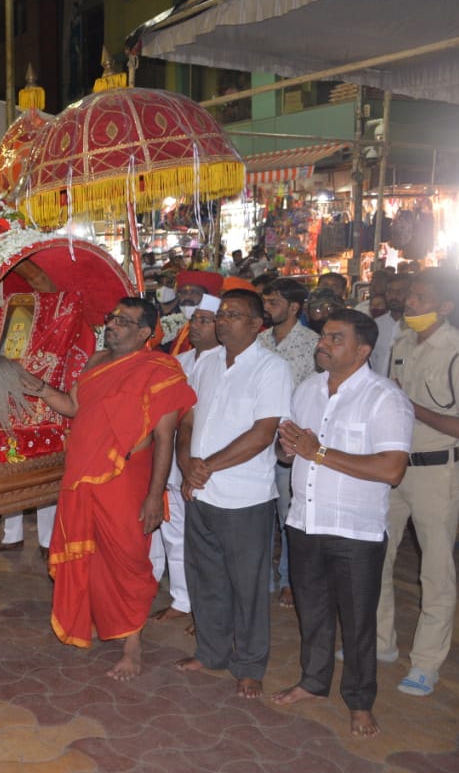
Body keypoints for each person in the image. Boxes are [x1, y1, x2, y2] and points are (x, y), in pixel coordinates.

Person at [36, 298, 196, 680]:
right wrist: (39, 388)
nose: (113, 325)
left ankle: (132, 646)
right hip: (81, 474)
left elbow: (165, 438)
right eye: (111, 318)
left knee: (129, 560)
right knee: (87, 554)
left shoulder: (160, 369)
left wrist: (154, 497)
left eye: (125, 321)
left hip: (125, 477)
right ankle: (91, 618)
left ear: (145, 333)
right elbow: (75, 407)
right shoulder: (94, 362)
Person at [271, 309, 413, 737]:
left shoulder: (385, 397)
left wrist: (318, 452)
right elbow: (289, 453)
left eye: (336, 338)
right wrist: (288, 451)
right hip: (305, 522)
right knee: (312, 612)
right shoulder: (308, 390)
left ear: (363, 350)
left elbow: (391, 470)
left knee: (357, 622)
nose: (323, 343)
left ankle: (360, 701)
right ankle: (314, 683)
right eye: (325, 336)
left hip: (355, 530)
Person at [176, 289, 293, 699]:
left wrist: (206, 466)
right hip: (202, 492)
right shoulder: (205, 363)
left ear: (258, 324)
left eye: (234, 315)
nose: (222, 321)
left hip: (244, 497)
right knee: (205, 578)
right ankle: (210, 652)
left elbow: (263, 433)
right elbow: (185, 419)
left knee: (247, 586)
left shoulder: (270, 368)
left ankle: (249, 665)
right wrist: (187, 462)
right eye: (220, 314)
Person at [377, 268, 459, 697]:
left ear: (445, 307)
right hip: (396, 467)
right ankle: (380, 644)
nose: (408, 302)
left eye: (419, 297)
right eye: (409, 295)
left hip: (437, 471)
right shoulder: (401, 342)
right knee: (377, 556)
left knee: (435, 571)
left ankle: (426, 663)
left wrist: (414, 409)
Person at [151, 293, 220, 627]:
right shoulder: (179, 362)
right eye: (195, 320)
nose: (196, 326)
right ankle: (182, 599)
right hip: (175, 463)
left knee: (208, 542)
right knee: (173, 533)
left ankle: (210, 610)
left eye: (205, 320)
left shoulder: (226, 364)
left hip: (208, 467)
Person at [259, 277, 319, 609]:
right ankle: (262, 577)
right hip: (257, 440)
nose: (266, 309)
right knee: (260, 513)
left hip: (291, 443)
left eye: (273, 303)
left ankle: (288, 579)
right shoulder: (259, 341)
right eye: (265, 302)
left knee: (288, 516)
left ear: (294, 307)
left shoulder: (312, 344)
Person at [369, 273, 410, 375]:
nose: (394, 296)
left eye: (400, 292)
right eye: (390, 291)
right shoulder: (376, 325)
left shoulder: (416, 327)